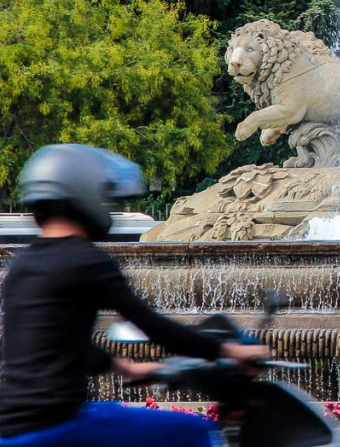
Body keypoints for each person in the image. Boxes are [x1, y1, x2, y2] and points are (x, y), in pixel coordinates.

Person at [0, 144, 270, 446]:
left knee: (110, 414)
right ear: (85, 192)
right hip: (60, 420)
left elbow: (53, 342)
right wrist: (229, 351)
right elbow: (153, 325)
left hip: (15, 424)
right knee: (194, 431)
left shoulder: (22, 265)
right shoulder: (88, 261)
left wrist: (123, 366)